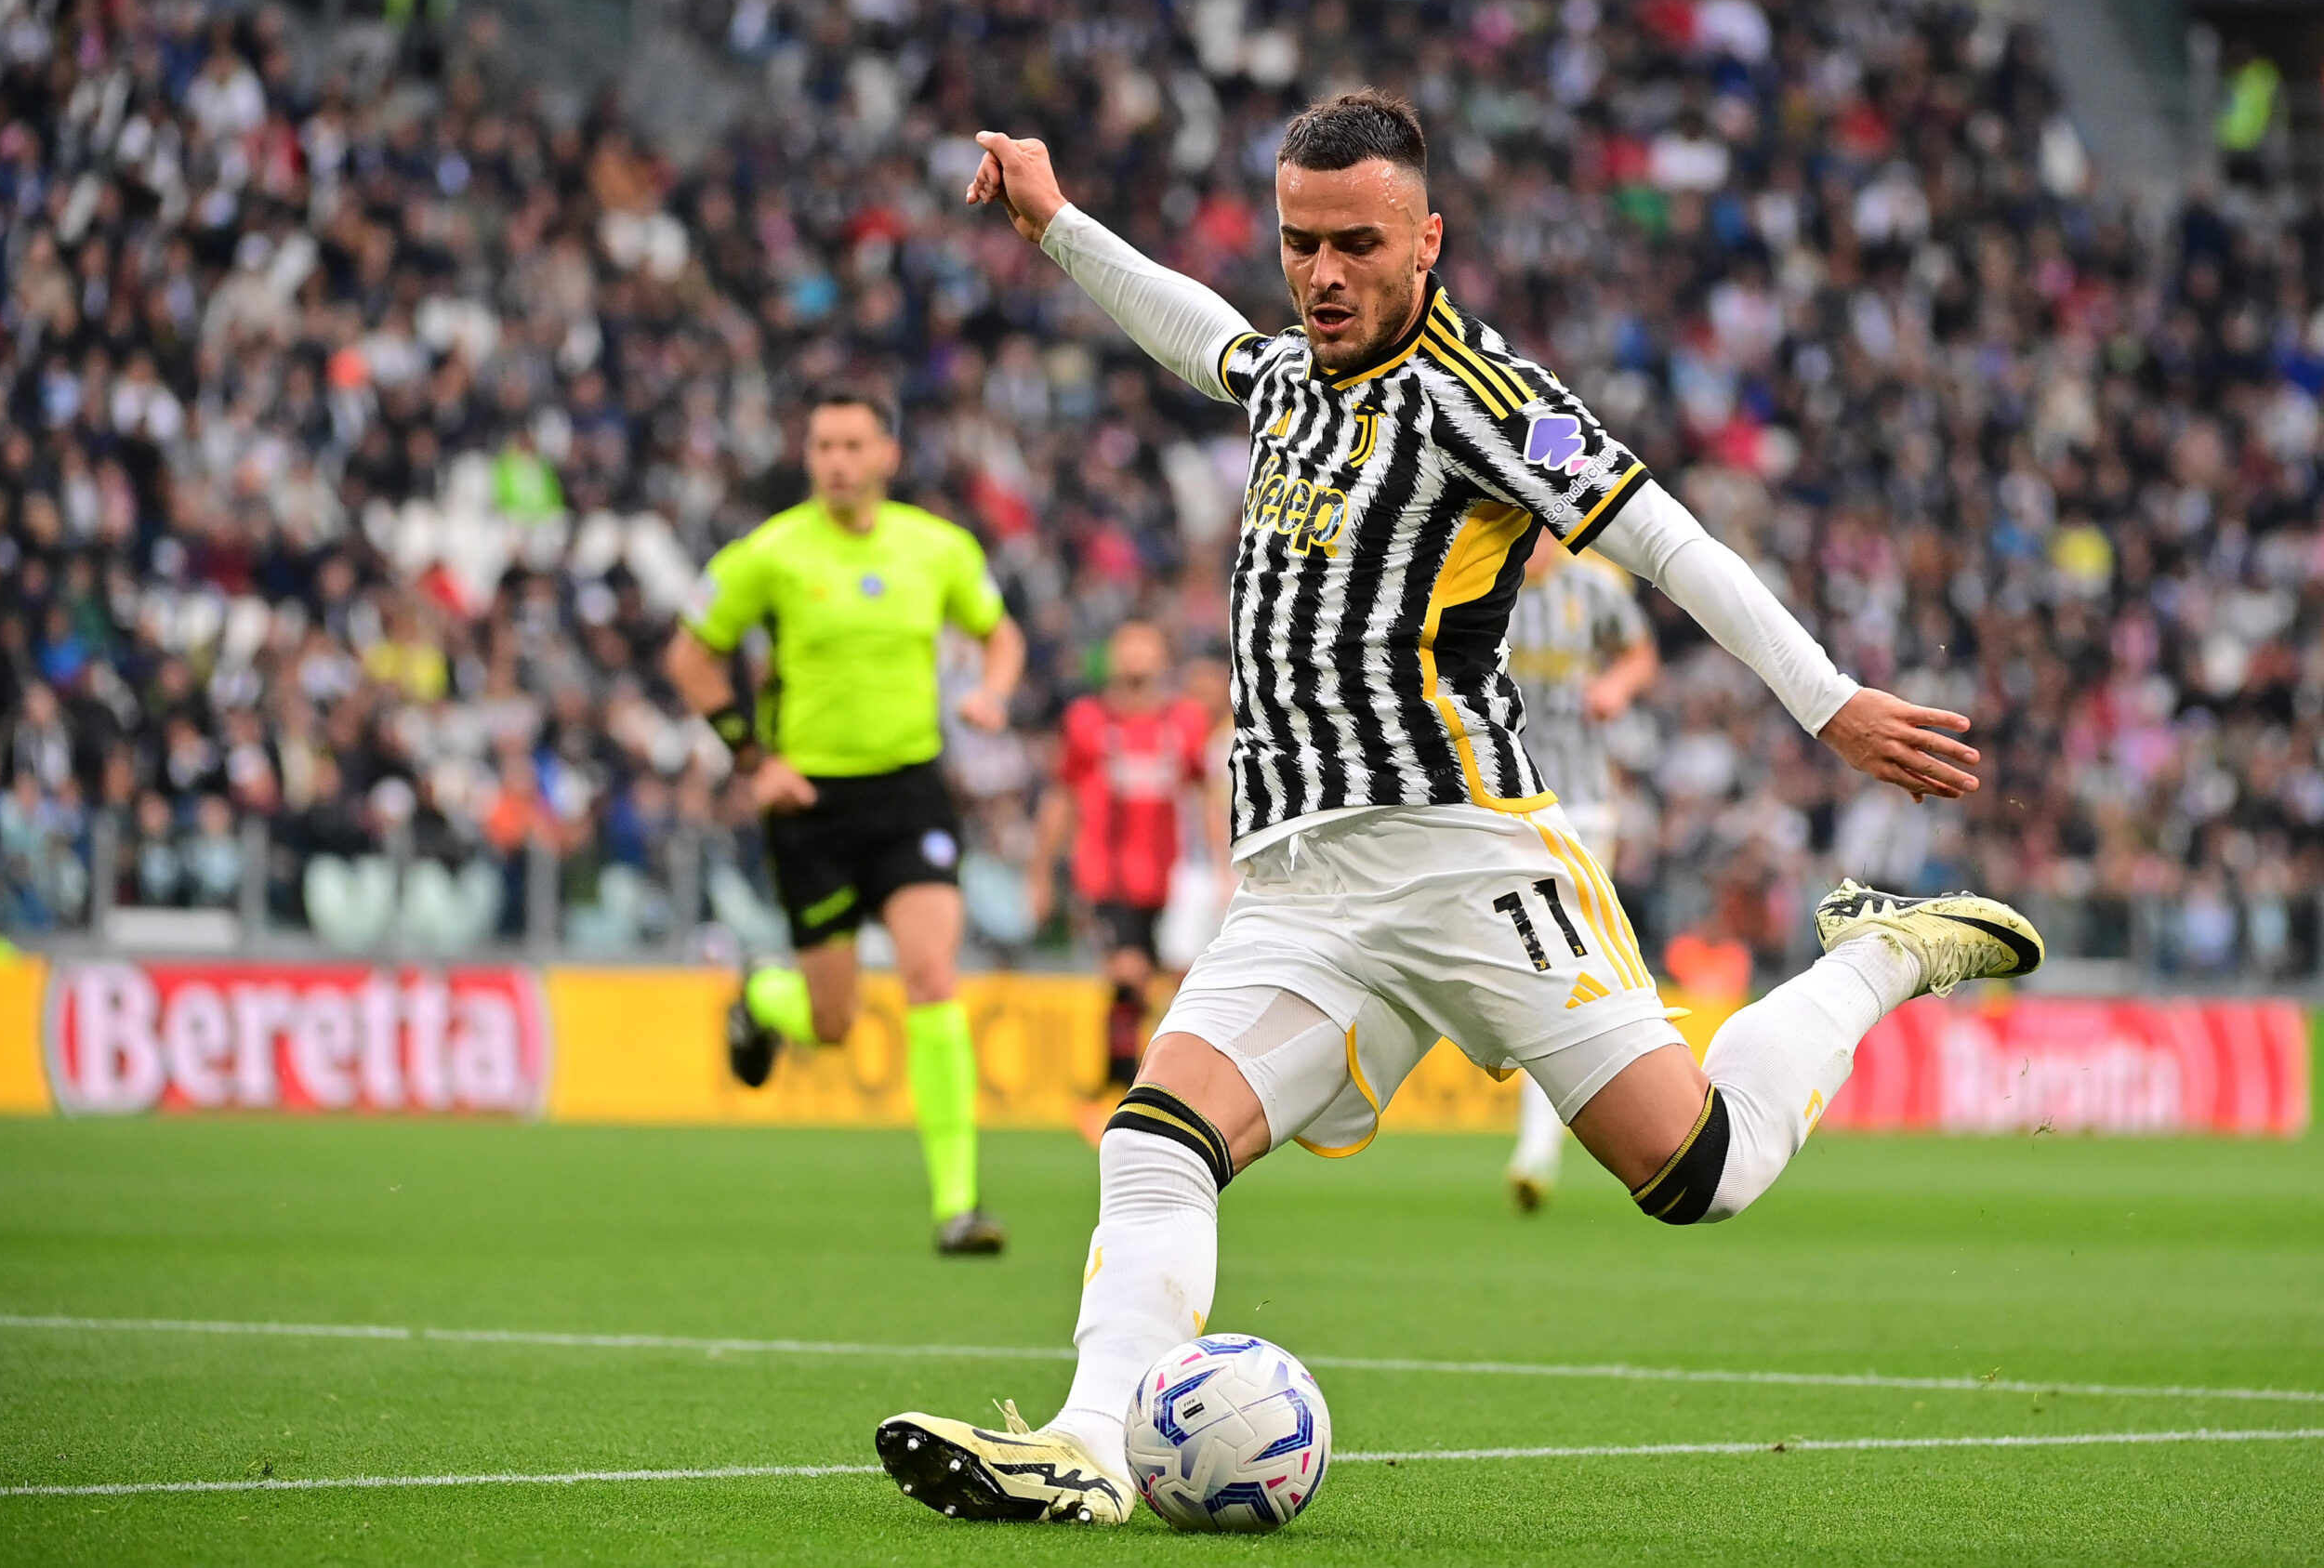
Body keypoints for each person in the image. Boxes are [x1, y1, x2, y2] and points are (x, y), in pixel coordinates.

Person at [874, 92, 2041, 1522]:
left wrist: (1829, 698)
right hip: (1300, 883)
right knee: (1153, 1136)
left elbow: (1669, 543)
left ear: (1428, 240)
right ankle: (1089, 1447)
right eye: (1302, 242)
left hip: (1467, 856)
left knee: (1701, 1171)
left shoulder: (1489, 400)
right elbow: (1194, 330)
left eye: (1358, 243)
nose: (1323, 274)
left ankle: (1883, 952)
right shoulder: (1290, 376)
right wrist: (1056, 226)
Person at [664, 389, 1026, 1258]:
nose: (836, 460)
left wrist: (992, 692)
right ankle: (760, 994)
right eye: (822, 444)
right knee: (833, 1021)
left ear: (885, 456)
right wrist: (754, 761)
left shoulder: (937, 547)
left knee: (933, 974)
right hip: (810, 804)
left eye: (852, 444)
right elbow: (690, 654)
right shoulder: (770, 554)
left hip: (908, 793)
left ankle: (958, 1205)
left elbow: (999, 632)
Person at [1500, 534, 1657, 1211]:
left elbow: (1639, 651)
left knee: (1559, 965)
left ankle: (1540, 1144)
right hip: (1504, 805)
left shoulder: (1594, 587)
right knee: (1539, 966)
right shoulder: (1482, 580)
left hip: (1585, 807)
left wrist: (1615, 687)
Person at [1027, 621, 1218, 1130]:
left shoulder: (1185, 722)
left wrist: (1224, 867)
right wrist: (1040, 872)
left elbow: (1205, 797)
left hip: (1172, 879)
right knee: (1128, 973)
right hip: (1106, 877)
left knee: (1178, 987)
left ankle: (1160, 1089)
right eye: (1127, 647)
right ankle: (1117, 1090)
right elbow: (1061, 799)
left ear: (1161, 658)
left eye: (1146, 646)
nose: (1136, 657)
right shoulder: (1086, 721)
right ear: (1111, 659)